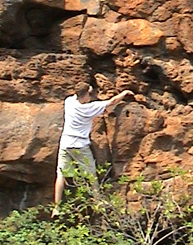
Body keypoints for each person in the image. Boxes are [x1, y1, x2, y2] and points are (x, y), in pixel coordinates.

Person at [52, 81, 134, 217]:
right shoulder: (89, 108)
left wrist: (84, 89)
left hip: (65, 143)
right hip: (80, 146)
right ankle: (98, 201)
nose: (90, 96)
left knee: (61, 174)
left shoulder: (69, 102)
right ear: (85, 95)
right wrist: (124, 93)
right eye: (89, 94)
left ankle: (56, 208)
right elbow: (112, 102)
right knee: (91, 175)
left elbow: (77, 94)